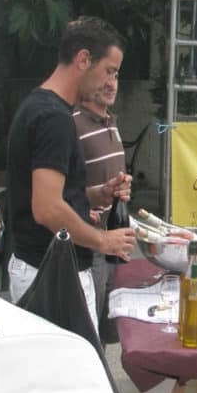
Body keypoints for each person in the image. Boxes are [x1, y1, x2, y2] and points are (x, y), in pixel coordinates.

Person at [6, 16, 135, 330]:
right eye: (109, 71)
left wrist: (97, 194)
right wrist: (103, 241)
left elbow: (51, 194)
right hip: (53, 274)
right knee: (78, 376)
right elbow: (47, 209)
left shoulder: (39, 106)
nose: (110, 82)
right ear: (83, 60)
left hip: (40, 268)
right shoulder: (55, 119)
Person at [72, 35, 132, 343]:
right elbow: (66, 193)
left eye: (116, 75)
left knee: (110, 327)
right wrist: (93, 198)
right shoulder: (72, 124)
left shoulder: (109, 121)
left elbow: (104, 178)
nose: (112, 83)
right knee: (89, 328)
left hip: (114, 237)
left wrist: (120, 187)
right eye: (107, 73)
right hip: (88, 243)